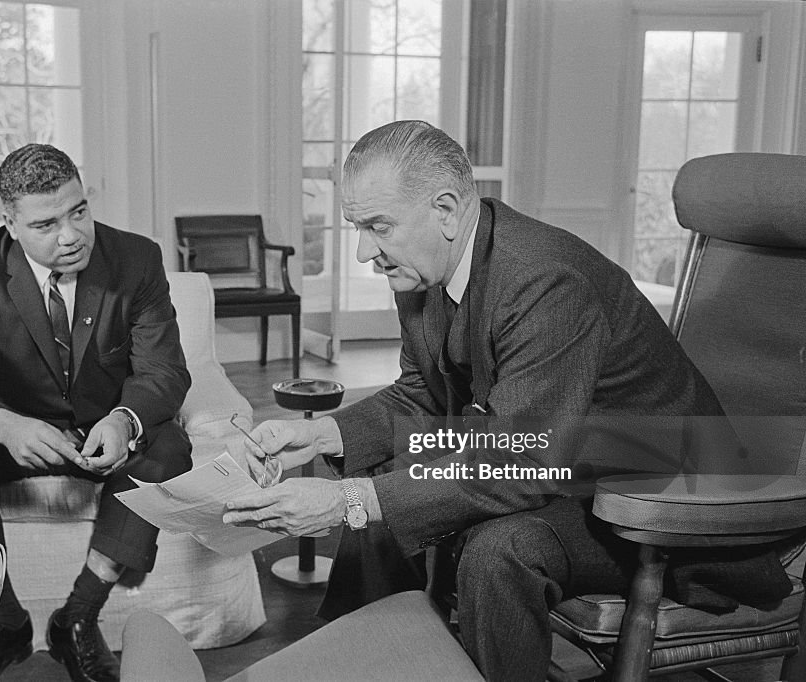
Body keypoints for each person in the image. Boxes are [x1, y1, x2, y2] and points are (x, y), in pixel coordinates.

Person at [221, 120, 748, 681]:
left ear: (446, 211)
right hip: (572, 462)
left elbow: (520, 460)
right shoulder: (424, 265)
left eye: (377, 226)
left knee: (492, 545)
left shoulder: (545, 279)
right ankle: (382, 662)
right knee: (385, 483)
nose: (361, 251)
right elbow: (424, 391)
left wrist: (348, 499)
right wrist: (323, 436)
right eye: (357, 226)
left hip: (663, 500)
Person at [0, 144, 192, 682]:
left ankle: (78, 618)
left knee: (170, 445)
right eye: (46, 223)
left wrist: (124, 418)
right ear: (10, 224)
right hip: (19, 432)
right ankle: (8, 623)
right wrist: (3, 424)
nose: (71, 235)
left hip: (101, 432)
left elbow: (165, 372)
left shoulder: (137, 259)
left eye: (78, 211)